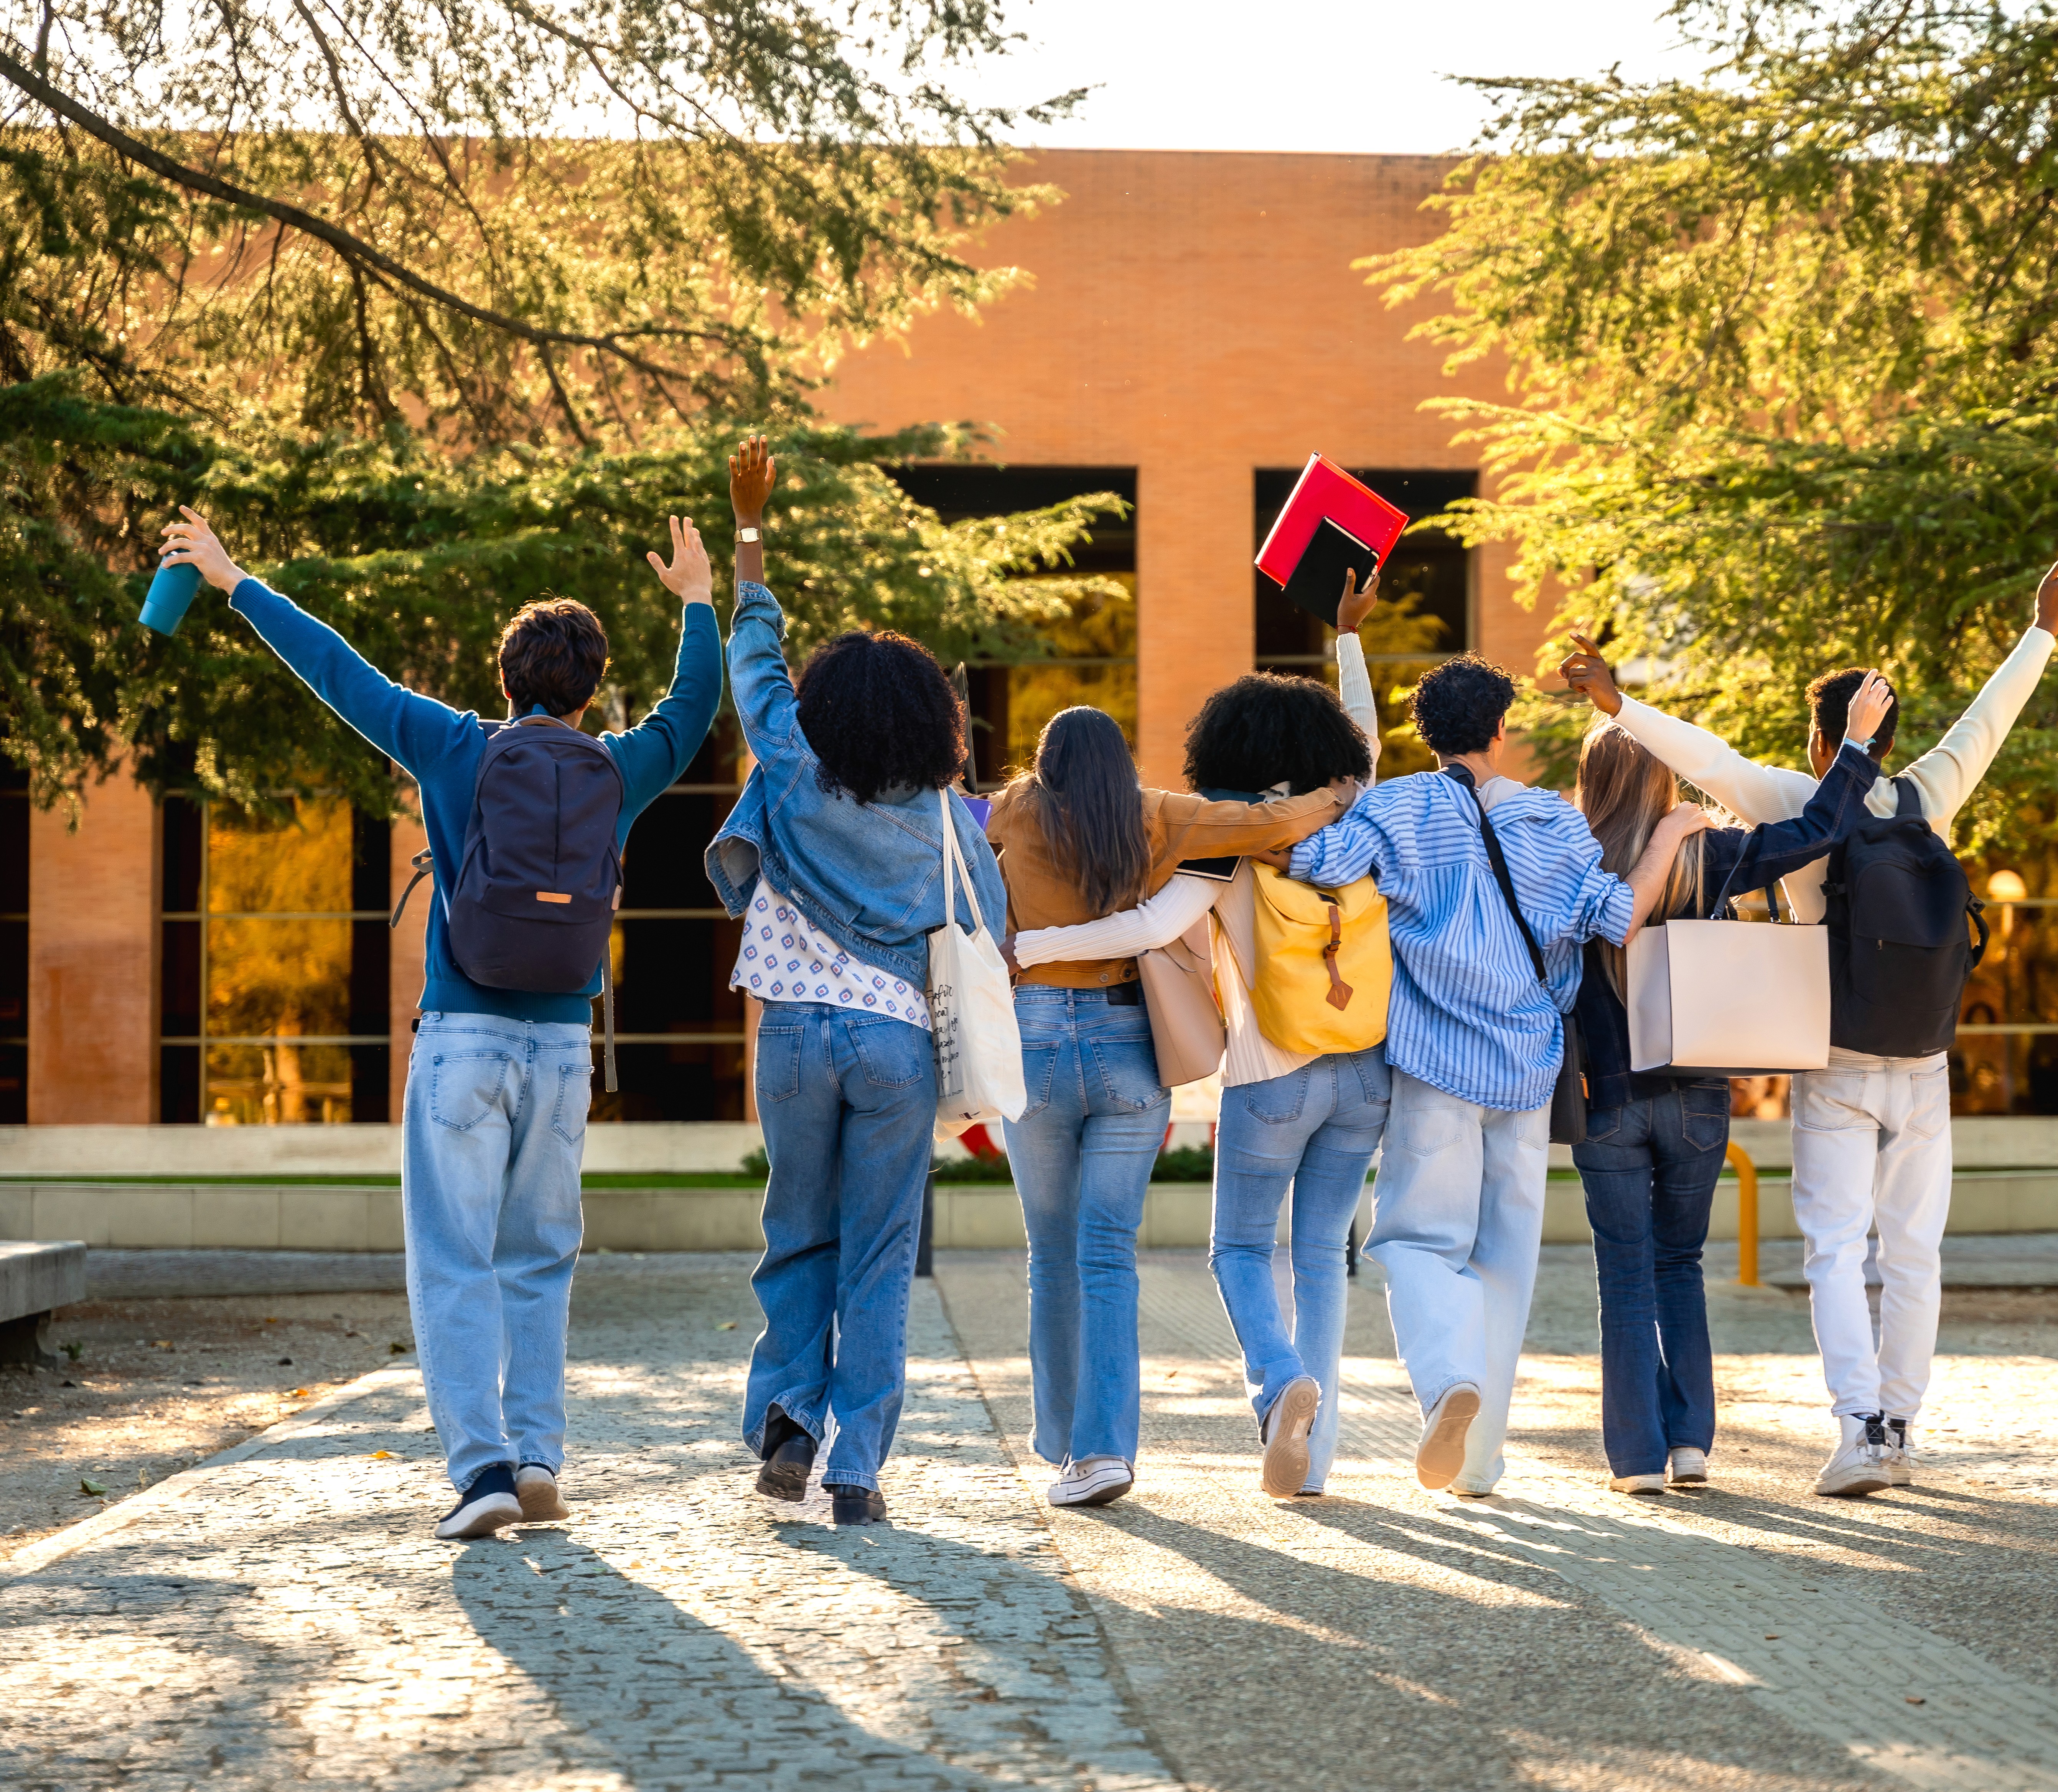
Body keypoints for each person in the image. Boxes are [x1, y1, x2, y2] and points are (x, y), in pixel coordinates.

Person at [157, 502, 724, 1541]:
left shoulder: (455, 748)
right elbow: (691, 714)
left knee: (452, 1254)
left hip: (463, 1036)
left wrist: (236, 581)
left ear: (507, 679)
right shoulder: (618, 770)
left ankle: (484, 1472)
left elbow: (340, 674)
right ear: (592, 686)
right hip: (562, 1050)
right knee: (539, 1256)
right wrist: (698, 603)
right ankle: (542, 1455)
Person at [1561, 550, 2058, 1497]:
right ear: (1893, 736)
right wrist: (2041, 629)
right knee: (1915, 1250)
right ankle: (1906, 1427)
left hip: (1836, 1059)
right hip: (1925, 1059)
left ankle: (1860, 1430)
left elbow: (1707, 761)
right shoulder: (1933, 794)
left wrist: (1618, 705)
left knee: (1836, 1248)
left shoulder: (1804, 798)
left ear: (1823, 738)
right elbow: (1990, 720)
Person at [1271, 654, 1702, 1498]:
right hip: (1531, 1068)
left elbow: (1311, 862)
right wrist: (1666, 839)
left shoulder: (1395, 806)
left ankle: (1445, 1382)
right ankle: (1477, 1464)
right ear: (1501, 730)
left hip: (1435, 1064)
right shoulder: (1554, 819)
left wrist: (1335, 800)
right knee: (1506, 1261)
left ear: (1427, 736)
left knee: (1418, 1242)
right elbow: (1617, 916)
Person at [1010, 574, 1385, 1498]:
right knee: (1323, 1252)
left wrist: (1034, 945)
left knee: (1225, 1250)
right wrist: (1347, 642)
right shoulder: (1361, 820)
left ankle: (1257, 1387)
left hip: (1270, 1072)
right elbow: (1364, 755)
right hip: (1366, 1067)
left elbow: (1144, 931)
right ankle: (1312, 1449)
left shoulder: (1221, 846)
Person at [701, 437, 1003, 1527]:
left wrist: (749, 534)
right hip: (894, 1051)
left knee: (799, 1233)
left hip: (789, 1042)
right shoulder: (948, 825)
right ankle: (858, 1467)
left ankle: (787, 1416)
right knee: (880, 1257)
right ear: (933, 723)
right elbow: (991, 934)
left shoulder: (790, 765)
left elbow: (757, 664)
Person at [1562, 688, 1888, 1495]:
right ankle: (1691, 1447)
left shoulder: (1570, 856)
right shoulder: (1710, 853)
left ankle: (1637, 1458)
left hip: (1607, 1094)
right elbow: (1822, 829)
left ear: (1593, 780)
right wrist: (1854, 745)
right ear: (1664, 780)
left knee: (1626, 1274)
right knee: (1680, 1261)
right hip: (1699, 1094)